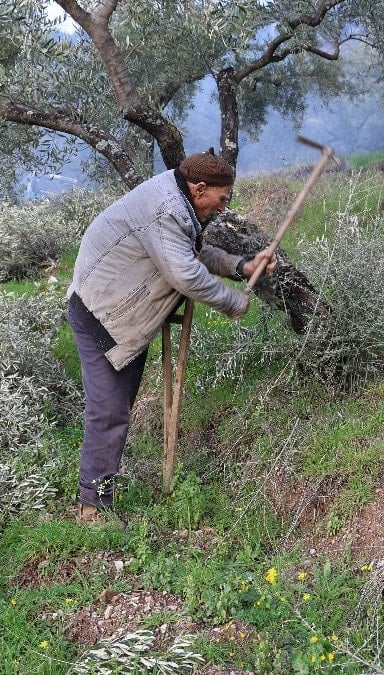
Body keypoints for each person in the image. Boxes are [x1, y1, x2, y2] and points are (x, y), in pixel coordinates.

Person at [66, 149, 275, 524]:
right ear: (199, 189)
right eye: (222, 198)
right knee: (110, 412)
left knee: (116, 410)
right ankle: (91, 508)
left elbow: (194, 252)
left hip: (121, 316)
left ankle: (99, 493)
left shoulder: (177, 200)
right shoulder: (166, 209)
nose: (224, 208)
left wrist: (241, 266)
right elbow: (186, 275)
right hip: (103, 316)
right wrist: (234, 303)